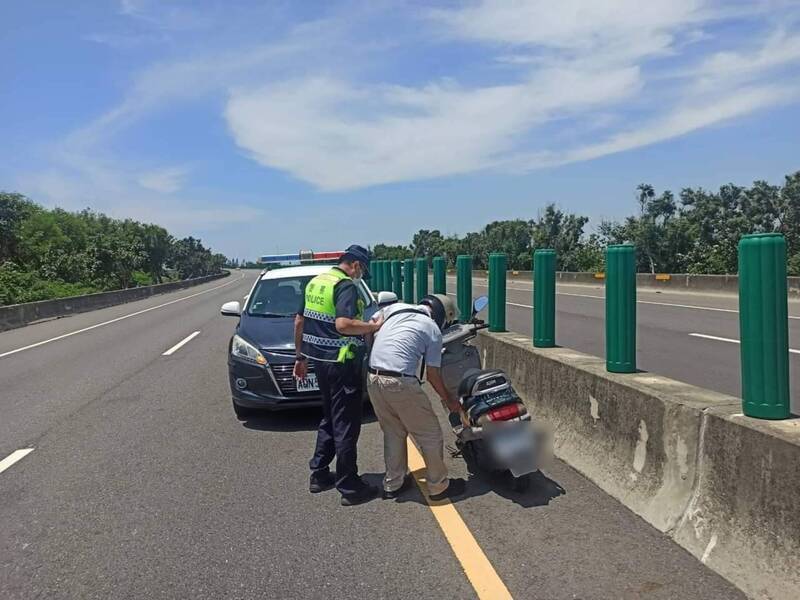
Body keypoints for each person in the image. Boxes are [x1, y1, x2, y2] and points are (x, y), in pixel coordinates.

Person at [294, 245, 384, 506]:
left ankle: (319, 474)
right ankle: (350, 486)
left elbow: (298, 321)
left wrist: (300, 357)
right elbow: (343, 325)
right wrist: (372, 327)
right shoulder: (345, 286)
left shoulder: (316, 283)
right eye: (362, 270)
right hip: (342, 364)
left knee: (330, 418)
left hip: (320, 362)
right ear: (355, 265)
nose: (361, 275)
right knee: (346, 424)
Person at [367, 294, 467, 501]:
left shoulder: (395, 308)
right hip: (399, 382)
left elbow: (370, 325)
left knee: (393, 432)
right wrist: (449, 400)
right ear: (441, 316)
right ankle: (438, 486)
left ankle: (393, 484)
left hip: (373, 377)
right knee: (430, 434)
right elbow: (432, 374)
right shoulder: (431, 328)